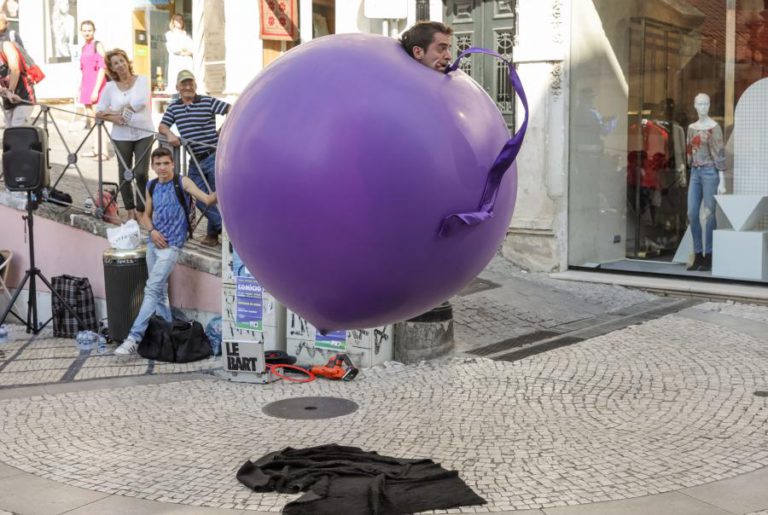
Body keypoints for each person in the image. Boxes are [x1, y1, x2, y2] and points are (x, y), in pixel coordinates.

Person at [114, 146, 217, 356]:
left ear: (173, 164)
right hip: (154, 244)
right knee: (159, 293)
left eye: (166, 163)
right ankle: (168, 337)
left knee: (151, 288)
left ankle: (133, 338)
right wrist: (151, 231)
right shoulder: (151, 185)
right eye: (158, 164)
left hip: (172, 246)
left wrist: (227, 182)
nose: (162, 168)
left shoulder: (182, 182)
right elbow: (145, 216)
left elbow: (207, 200)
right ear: (152, 166)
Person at [158, 70, 229, 246]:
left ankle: (217, 235)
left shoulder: (206, 101)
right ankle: (225, 230)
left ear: (196, 85)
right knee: (195, 196)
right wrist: (169, 134)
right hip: (194, 160)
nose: (188, 87)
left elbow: (231, 109)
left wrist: (223, 130)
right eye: (184, 84)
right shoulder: (174, 107)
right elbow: (162, 125)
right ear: (177, 87)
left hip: (212, 157)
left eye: (190, 83)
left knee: (215, 196)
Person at [95, 49, 154, 220]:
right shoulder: (110, 87)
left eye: (122, 61)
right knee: (125, 173)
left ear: (127, 62)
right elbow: (98, 112)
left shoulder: (142, 80)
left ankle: (142, 209)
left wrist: (116, 110)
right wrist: (115, 117)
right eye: (115, 63)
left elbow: (140, 103)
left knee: (141, 173)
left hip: (144, 132)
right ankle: (130, 209)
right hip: (121, 136)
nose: (120, 65)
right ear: (112, 68)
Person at [686, 92, 726, 272]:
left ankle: (709, 255)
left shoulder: (714, 127)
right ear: (694, 105)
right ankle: (697, 253)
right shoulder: (691, 128)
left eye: (706, 104)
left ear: (709, 106)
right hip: (695, 172)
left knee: (709, 215)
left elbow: (720, 154)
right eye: (700, 104)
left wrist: (722, 181)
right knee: (692, 213)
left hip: (710, 172)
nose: (703, 107)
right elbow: (689, 152)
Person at [0, 36, 34, 127]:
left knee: (18, 128)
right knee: (9, 132)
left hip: (23, 95)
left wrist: (10, 91)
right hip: (7, 99)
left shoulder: (5, 46)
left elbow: (15, 69)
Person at [79, 20, 106, 131]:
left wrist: (96, 90)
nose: (87, 33)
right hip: (86, 86)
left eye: (89, 30)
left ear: (94, 31)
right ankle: (96, 146)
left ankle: (102, 148)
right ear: (81, 32)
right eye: (84, 30)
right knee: (91, 119)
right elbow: (83, 70)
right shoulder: (84, 47)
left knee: (98, 119)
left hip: (96, 86)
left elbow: (103, 67)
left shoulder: (97, 45)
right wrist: (79, 88)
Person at [164, 13, 193, 95]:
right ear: (173, 22)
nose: (179, 21)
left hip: (187, 62)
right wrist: (183, 50)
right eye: (177, 20)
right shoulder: (170, 34)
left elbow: (192, 48)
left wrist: (186, 51)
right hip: (176, 63)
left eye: (181, 19)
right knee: (177, 83)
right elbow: (174, 49)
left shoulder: (186, 35)